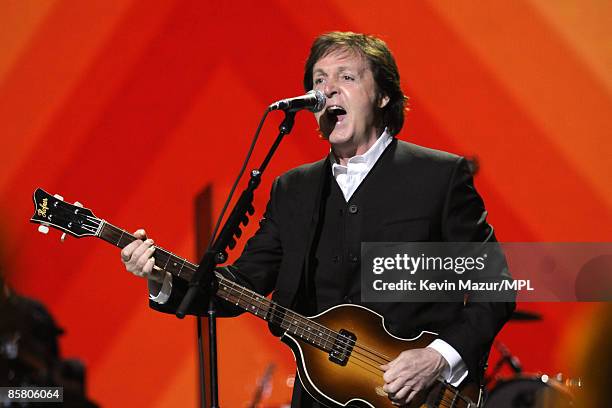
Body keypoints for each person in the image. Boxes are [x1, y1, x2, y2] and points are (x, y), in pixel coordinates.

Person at [121, 32, 514, 407]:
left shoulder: (439, 177)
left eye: (346, 77)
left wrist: (437, 358)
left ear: (382, 96)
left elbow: (496, 286)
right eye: (319, 80)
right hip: (317, 399)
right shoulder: (293, 189)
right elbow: (244, 283)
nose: (328, 90)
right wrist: (163, 278)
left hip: (417, 397)